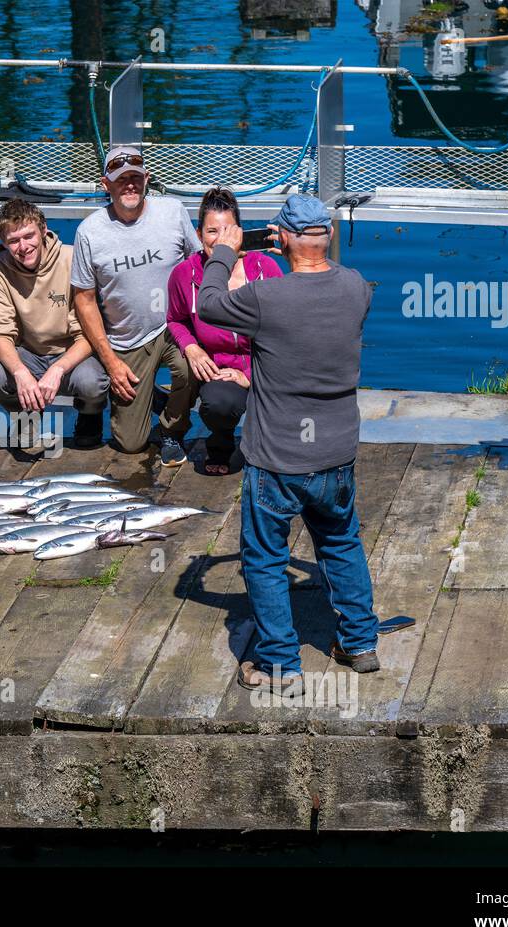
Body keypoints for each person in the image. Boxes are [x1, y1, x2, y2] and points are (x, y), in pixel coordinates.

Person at [196, 194, 380, 695]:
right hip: (337, 452)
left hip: (278, 456)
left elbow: (206, 304)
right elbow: (325, 282)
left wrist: (225, 252)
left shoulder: (266, 298)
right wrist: (300, 249)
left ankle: (280, 663)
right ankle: (360, 644)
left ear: (283, 239)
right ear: (326, 236)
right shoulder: (357, 289)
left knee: (264, 557)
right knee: (341, 542)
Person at [70, 145, 200, 465]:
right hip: (128, 337)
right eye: (120, 179)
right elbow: (84, 299)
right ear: (106, 185)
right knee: (130, 444)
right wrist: (111, 362)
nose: (129, 185)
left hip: (174, 326)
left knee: (191, 366)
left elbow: (198, 264)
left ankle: (172, 428)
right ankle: (150, 399)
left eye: (135, 178)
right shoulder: (89, 232)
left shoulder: (172, 211)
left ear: (147, 180)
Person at [167, 187, 283, 475]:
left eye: (227, 231)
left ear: (240, 233)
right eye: (211, 232)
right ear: (198, 234)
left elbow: (285, 332)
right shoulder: (184, 274)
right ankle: (221, 439)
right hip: (221, 371)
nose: (220, 241)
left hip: (266, 367)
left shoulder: (265, 268)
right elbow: (175, 319)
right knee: (219, 403)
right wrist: (191, 348)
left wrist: (249, 377)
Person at [0, 199, 109, 449]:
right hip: (28, 352)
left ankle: (89, 415)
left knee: (93, 383)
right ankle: (26, 411)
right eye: (13, 241)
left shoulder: (71, 258)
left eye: (29, 236)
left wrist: (58, 369)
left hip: (71, 352)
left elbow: (87, 335)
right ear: (4, 243)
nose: (23, 247)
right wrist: (20, 373)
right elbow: (0, 331)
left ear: (43, 229)